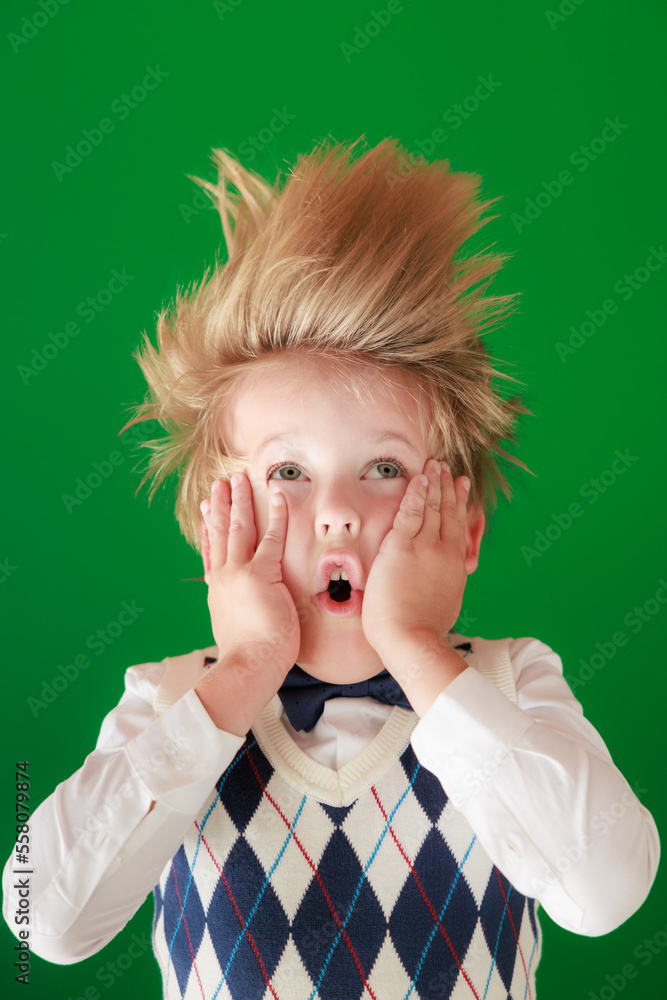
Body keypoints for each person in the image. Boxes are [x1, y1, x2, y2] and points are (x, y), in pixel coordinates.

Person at [3, 137, 659, 999]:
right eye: (287, 473)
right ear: (217, 534)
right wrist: (240, 675)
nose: (338, 509)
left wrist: (419, 650)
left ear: (461, 531)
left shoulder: (509, 684)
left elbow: (607, 889)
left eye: (383, 469)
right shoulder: (168, 705)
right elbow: (39, 915)